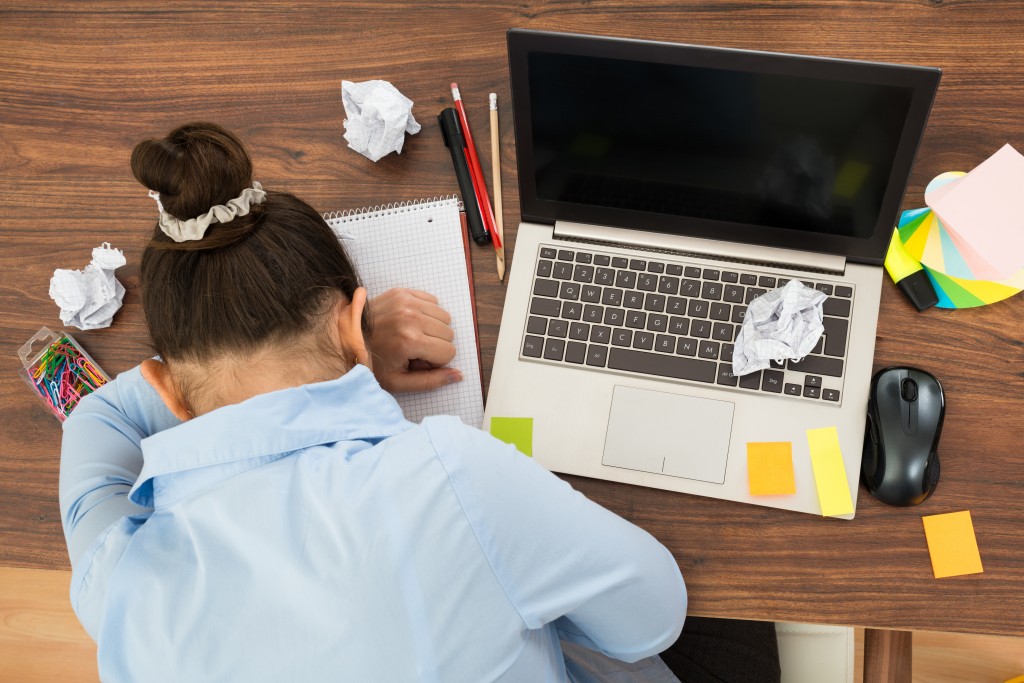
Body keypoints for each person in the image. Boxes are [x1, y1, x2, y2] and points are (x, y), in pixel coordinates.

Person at [59, 122, 688, 682]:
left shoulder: (116, 588)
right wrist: (349, 358)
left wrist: (303, 356)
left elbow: (98, 415)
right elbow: (651, 621)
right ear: (356, 323)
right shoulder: (453, 477)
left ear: (164, 385)